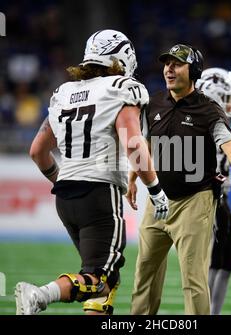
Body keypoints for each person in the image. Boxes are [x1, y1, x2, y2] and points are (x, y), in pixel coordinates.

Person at [14, 29, 169, 315]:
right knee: (98, 279)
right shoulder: (120, 87)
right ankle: (40, 295)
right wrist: (156, 189)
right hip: (99, 193)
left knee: (105, 278)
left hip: (66, 197)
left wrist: (60, 179)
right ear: (121, 57)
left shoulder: (64, 93)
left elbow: (37, 150)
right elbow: (133, 142)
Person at [127, 44, 231, 315]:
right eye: (167, 63)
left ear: (193, 70)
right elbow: (144, 143)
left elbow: (226, 139)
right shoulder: (154, 103)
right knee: (143, 276)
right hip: (157, 201)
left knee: (193, 281)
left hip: (194, 202)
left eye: (177, 64)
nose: (169, 69)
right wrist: (133, 178)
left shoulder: (208, 109)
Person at [195, 67, 231, 315]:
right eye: (227, 97)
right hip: (207, 197)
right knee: (212, 260)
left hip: (222, 199)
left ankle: (214, 312)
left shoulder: (224, 124)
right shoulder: (200, 122)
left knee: (226, 262)